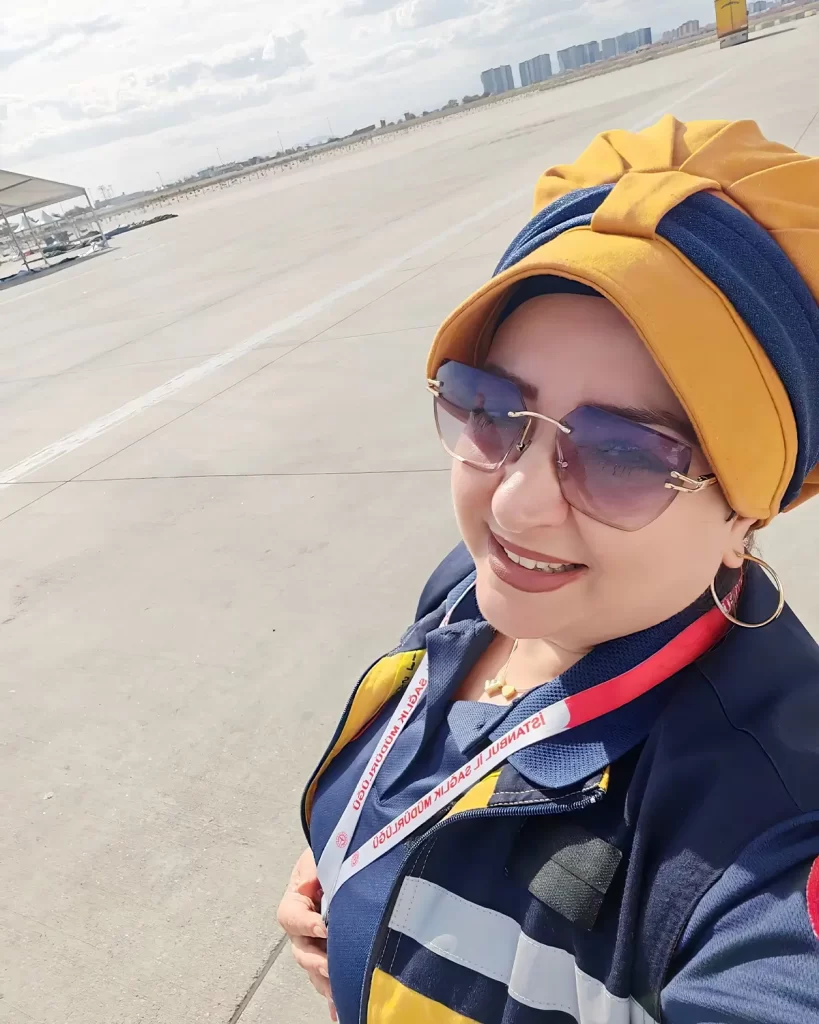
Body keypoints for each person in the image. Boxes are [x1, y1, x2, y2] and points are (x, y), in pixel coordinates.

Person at [277, 116, 819, 1023]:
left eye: (625, 454)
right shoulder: (469, 594)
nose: (514, 503)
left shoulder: (763, 829)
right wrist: (351, 866)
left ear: (743, 515)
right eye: (491, 409)